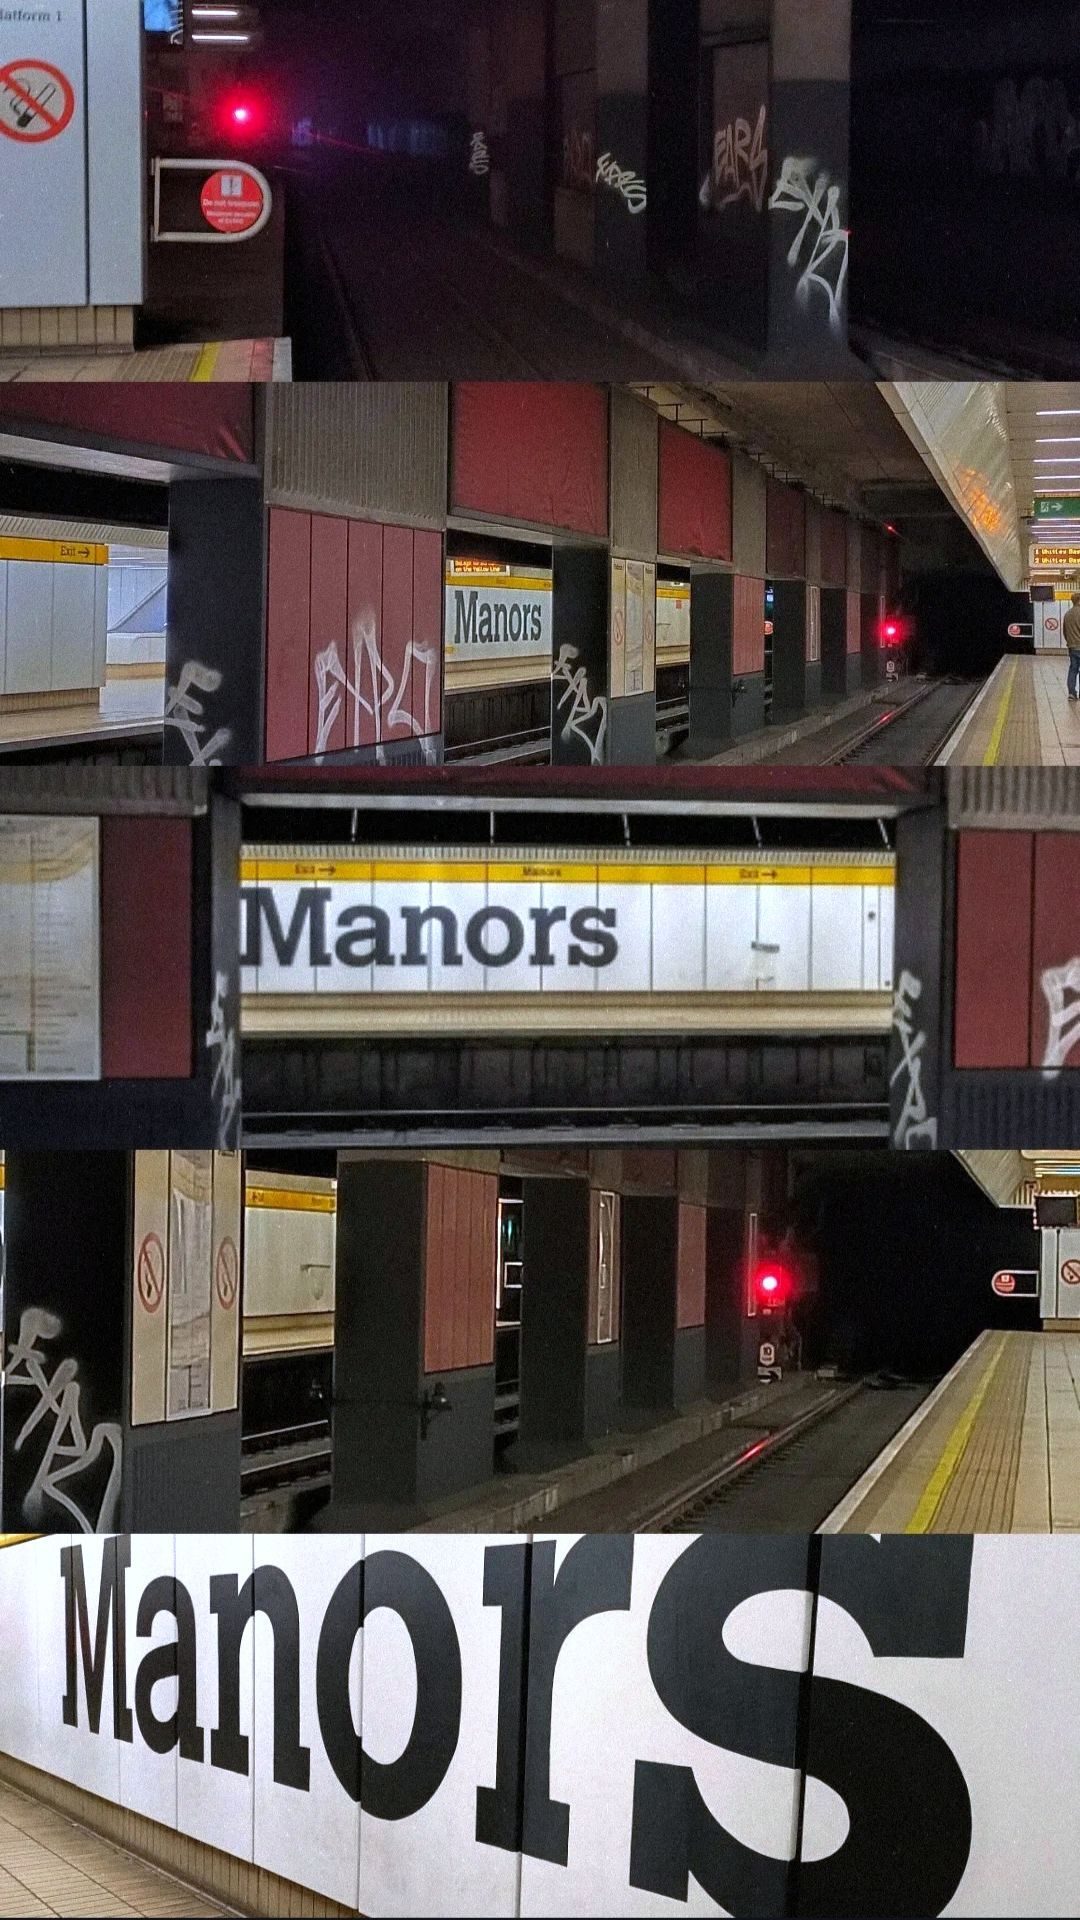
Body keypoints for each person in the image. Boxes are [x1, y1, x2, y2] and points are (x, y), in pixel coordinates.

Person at [1066, 592, 1080, 701]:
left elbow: (1065, 632)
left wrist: (1070, 642)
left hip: (1072, 647)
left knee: (1073, 669)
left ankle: (1071, 693)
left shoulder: (1068, 614)